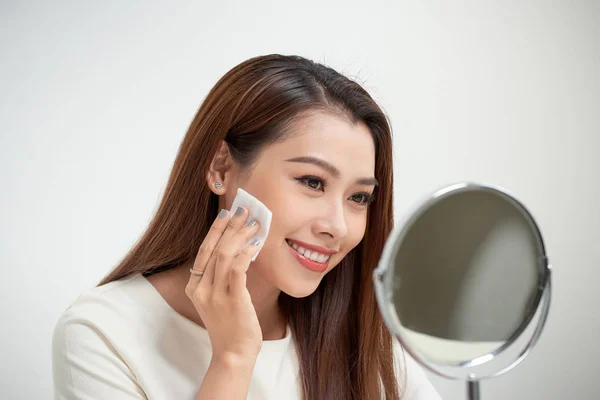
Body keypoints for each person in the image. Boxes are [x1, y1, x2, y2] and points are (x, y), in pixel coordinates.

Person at [52, 54, 441, 400]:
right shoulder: (103, 333)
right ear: (221, 168)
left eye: (359, 198)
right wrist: (233, 360)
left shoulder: (360, 336)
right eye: (312, 182)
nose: (337, 227)